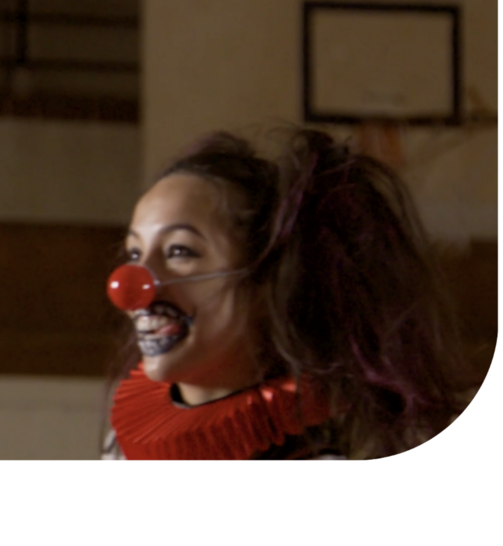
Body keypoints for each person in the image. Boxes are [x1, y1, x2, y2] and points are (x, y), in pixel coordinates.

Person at [100, 130, 466, 459]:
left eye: (180, 251)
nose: (132, 286)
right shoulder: (119, 449)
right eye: (134, 253)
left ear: (267, 280)